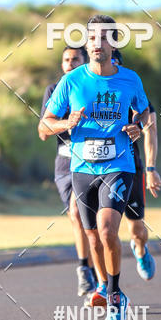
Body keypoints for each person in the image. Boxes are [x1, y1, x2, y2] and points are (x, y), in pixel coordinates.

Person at [42, 15, 150, 320]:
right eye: (91, 38)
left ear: (113, 44)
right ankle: (104, 283)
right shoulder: (72, 81)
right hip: (82, 169)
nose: (96, 43)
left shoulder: (130, 79)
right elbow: (44, 125)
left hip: (119, 165)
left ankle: (115, 296)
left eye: (103, 38)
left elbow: (145, 113)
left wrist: (138, 126)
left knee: (106, 230)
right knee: (92, 237)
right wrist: (68, 123)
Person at [38, 46, 99, 296]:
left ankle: (86, 269)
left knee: (80, 213)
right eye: (66, 60)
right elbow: (43, 131)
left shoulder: (94, 87)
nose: (70, 64)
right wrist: (67, 123)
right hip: (64, 166)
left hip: (93, 163)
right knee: (79, 218)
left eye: (75, 59)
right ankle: (93, 273)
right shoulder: (54, 90)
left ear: (85, 62)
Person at [114, 50, 161, 281]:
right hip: (98, 169)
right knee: (103, 228)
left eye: (114, 63)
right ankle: (105, 284)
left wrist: (151, 169)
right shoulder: (88, 92)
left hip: (131, 168)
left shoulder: (133, 93)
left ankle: (141, 249)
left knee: (137, 230)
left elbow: (150, 130)